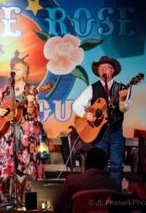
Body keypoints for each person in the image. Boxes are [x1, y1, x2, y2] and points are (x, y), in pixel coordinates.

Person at [0, 58, 43, 205]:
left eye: (19, 68)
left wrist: (30, 101)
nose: (15, 70)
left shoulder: (30, 89)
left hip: (25, 133)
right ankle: (6, 200)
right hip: (7, 134)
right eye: (14, 68)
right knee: (6, 162)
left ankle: (25, 199)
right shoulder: (6, 89)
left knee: (24, 163)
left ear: (25, 73)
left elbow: (31, 113)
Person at [72, 56, 131, 185]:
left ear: (112, 71)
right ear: (98, 72)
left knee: (116, 166)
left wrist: (122, 99)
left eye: (107, 68)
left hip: (115, 131)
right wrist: (85, 115)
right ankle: (98, 194)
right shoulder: (92, 88)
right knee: (98, 167)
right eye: (101, 68)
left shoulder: (121, 88)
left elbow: (124, 108)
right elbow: (76, 105)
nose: (103, 70)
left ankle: (115, 196)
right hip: (99, 134)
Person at [53, 147, 121, 213]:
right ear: (105, 166)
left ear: (86, 163)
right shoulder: (116, 187)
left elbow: (57, 205)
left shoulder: (71, 181)